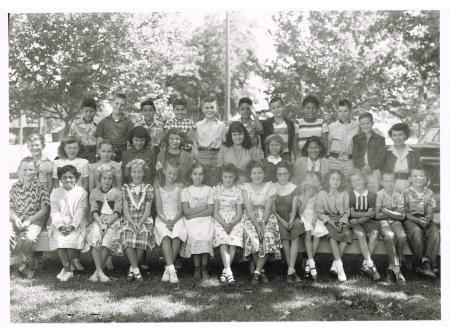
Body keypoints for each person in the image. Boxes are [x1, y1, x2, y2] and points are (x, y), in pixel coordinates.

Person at [241, 160, 281, 286]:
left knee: (267, 236)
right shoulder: (245, 187)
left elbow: (268, 208)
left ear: (264, 174)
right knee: (253, 238)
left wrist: (263, 224)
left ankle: (257, 272)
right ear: (250, 175)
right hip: (250, 217)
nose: (257, 175)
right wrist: (257, 226)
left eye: (260, 172)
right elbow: (249, 209)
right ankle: (262, 271)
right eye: (254, 173)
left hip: (267, 216)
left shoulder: (270, 186)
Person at [10, 157, 50, 278]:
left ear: (36, 170)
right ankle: (19, 267)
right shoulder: (15, 187)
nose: (28, 172)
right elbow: (10, 207)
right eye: (25, 169)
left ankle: (22, 266)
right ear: (19, 170)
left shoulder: (40, 187)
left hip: (35, 220)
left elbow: (45, 209)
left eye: (31, 169)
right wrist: (16, 219)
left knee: (29, 238)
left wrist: (29, 220)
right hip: (18, 218)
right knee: (8, 235)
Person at [83, 165, 122, 283]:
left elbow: (117, 211)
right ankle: (100, 271)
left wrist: (107, 224)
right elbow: (94, 210)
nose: (107, 181)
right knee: (95, 236)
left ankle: (96, 272)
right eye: (104, 178)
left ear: (113, 180)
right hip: (98, 220)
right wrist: (101, 224)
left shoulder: (117, 192)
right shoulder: (94, 192)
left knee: (107, 239)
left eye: (110, 179)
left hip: (113, 220)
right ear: (100, 179)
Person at [48, 165, 88, 281]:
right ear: (60, 179)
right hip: (59, 222)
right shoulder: (55, 193)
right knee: (60, 240)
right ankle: (68, 268)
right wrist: (60, 226)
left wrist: (72, 226)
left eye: (71, 177)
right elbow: (54, 211)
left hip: (76, 222)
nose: (68, 180)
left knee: (71, 239)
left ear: (76, 178)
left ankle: (66, 269)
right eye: (64, 177)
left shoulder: (81, 193)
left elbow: (81, 211)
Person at [121, 159, 155, 282]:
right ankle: (136, 270)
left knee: (143, 233)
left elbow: (147, 210)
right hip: (129, 219)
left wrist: (140, 223)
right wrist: (132, 222)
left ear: (144, 173)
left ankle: (132, 269)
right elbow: (125, 210)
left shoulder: (148, 188)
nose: (137, 174)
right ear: (130, 173)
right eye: (134, 172)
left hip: (143, 219)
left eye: (140, 172)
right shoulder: (125, 188)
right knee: (127, 234)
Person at [316, 170, 352, 282]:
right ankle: (340, 268)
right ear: (328, 180)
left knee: (347, 234)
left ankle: (334, 265)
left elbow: (346, 212)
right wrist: (330, 222)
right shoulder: (322, 193)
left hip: (341, 219)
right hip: (327, 220)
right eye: (333, 179)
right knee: (331, 235)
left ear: (341, 181)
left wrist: (341, 221)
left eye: (338, 179)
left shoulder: (344, 194)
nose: (335, 181)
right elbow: (320, 212)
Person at [154, 160, 187, 283]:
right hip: (163, 217)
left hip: (177, 217)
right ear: (164, 172)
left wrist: (173, 221)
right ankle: (172, 269)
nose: (171, 176)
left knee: (177, 235)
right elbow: (158, 210)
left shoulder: (179, 188)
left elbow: (180, 210)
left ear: (177, 175)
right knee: (166, 236)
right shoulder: (159, 189)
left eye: (174, 174)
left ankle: (168, 268)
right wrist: (166, 221)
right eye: (169, 173)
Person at [403, 168, 440, 278]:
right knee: (416, 232)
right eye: (415, 176)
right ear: (410, 179)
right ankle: (420, 262)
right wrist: (418, 220)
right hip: (411, 219)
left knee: (434, 231)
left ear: (425, 179)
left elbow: (430, 211)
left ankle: (427, 262)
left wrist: (428, 218)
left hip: (424, 218)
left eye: (421, 175)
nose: (418, 178)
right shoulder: (406, 192)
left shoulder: (429, 193)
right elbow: (405, 213)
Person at [181, 162, 215, 280]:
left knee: (205, 236)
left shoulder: (209, 190)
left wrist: (196, 211)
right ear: (191, 175)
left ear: (204, 176)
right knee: (195, 236)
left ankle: (204, 267)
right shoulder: (186, 190)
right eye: (195, 174)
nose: (198, 176)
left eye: (200, 174)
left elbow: (210, 210)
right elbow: (186, 211)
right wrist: (202, 208)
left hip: (206, 219)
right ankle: (196, 267)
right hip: (191, 221)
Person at [272, 161, 304, 283]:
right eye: (280, 174)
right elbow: (273, 210)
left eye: (285, 174)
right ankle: (291, 270)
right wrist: (283, 221)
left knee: (295, 233)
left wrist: (291, 219)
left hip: (291, 216)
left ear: (289, 174)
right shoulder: (273, 187)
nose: (283, 176)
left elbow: (294, 206)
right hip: (278, 218)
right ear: (276, 175)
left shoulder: (294, 187)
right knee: (285, 236)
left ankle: (290, 269)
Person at [212, 164, 244, 284]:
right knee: (223, 240)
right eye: (226, 177)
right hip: (220, 219)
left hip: (234, 219)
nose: (228, 179)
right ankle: (229, 271)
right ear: (221, 177)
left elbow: (239, 212)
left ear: (234, 177)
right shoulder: (217, 190)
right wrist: (224, 224)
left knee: (233, 240)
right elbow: (215, 212)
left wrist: (231, 224)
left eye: (231, 177)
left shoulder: (237, 191)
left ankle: (226, 270)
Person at [348, 169, 381, 281]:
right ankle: (370, 264)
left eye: (358, 180)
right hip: (356, 223)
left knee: (374, 237)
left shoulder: (372, 195)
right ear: (351, 184)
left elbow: (371, 215)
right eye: (354, 181)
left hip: (365, 221)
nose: (356, 183)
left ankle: (365, 265)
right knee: (360, 235)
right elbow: (352, 213)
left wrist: (358, 220)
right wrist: (365, 214)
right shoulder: (351, 195)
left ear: (364, 180)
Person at [375, 172, 407, 284]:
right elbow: (377, 216)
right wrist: (393, 213)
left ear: (395, 182)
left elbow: (402, 216)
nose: (389, 183)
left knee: (402, 236)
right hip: (382, 222)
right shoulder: (379, 194)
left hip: (396, 222)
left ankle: (391, 267)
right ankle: (397, 270)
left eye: (392, 181)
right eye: (386, 181)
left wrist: (385, 210)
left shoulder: (399, 195)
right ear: (381, 182)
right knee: (389, 235)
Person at [297, 172, 328, 280]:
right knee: (308, 233)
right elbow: (300, 212)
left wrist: (314, 221)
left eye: (313, 188)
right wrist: (305, 198)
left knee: (317, 233)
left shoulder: (317, 197)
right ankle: (311, 263)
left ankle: (308, 265)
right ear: (304, 186)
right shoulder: (301, 197)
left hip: (314, 218)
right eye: (309, 187)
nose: (311, 190)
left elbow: (316, 210)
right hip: (304, 219)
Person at [192, 97, 227, 186]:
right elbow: (195, 144)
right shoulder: (198, 125)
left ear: (216, 109)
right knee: (202, 182)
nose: (209, 110)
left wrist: (222, 158)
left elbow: (224, 143)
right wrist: (197, 158)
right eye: (207, 108)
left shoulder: (221, 125)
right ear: (203, 110)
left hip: (217, 156)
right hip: (202, 155)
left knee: (215, 182)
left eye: (212, 107)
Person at [95, 93, 134, 162]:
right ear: (112, 103)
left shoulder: (128, 123)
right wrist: (98, 155)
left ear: (125, 106)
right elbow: (99, 141)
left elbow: (129, 143)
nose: (119, 107)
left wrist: (128, 158)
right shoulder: (103, 122)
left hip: (122, 156)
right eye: (117, 103)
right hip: (106, 155)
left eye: (122, 105)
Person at [352, 112, 385, 192]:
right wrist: (363, 166)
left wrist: (371, 166)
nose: (365, 126)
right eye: (363, 124)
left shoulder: (379, 139)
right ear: (360, 125)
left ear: (372, 123)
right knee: (359, 191)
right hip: (360, 168)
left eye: (368, 123)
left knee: (373, 192)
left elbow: (380, 156)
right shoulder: (356, 138)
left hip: (374, 169)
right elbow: (355, 155)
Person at [384, 123, 421, 193]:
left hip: (409, 186)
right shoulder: (386, 153)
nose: (397, 138)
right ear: (391, 137)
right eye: (394, 135)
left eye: (400, 135)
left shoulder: (414, 152)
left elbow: (419, 171)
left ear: (406, 136)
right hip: (391, 186)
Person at [327, 99, 360, 175]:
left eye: (345, 111)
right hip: (334, 161)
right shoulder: (332, 126)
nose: (343, 114)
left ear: (350, 111)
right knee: (334, 183)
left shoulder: (356, 126)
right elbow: (327, 144)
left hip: (349, 162)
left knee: (348, 184)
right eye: (340, 111)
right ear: (337, 112)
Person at [261, 96, 297, 161]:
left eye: (279, 107)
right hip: (271, 156)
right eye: (274, 108)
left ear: (283, 107)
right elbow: (264, 142)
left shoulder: (290, 124)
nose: (276, 109)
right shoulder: (266, 124)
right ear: (271, 110)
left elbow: (291, 141)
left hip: (285, 155)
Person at [69, 98, 98, 163]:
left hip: (93, 152)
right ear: (82, 111)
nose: (88, 114)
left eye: (91, 111)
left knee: (91, 170)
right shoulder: (75, 123)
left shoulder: (98, 125)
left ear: (95, 111)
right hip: (79, 151)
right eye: (86, 111)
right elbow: (70, 139)